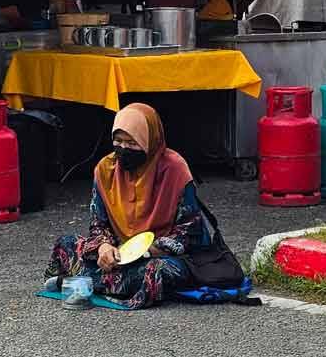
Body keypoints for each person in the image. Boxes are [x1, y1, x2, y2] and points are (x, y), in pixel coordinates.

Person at [44, 104, 211, 310]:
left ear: (150, 142)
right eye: (118, 141)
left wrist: (146, 251)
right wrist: (104, 247)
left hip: (160, 254)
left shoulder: (175, 169)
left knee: (157, 272)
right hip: (117, 253)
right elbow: (98, 223)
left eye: (132, 143)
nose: (123, 149)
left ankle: (81, 282)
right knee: (66, 243)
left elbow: (189, 232)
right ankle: (107, 282)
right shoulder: (106, 169)